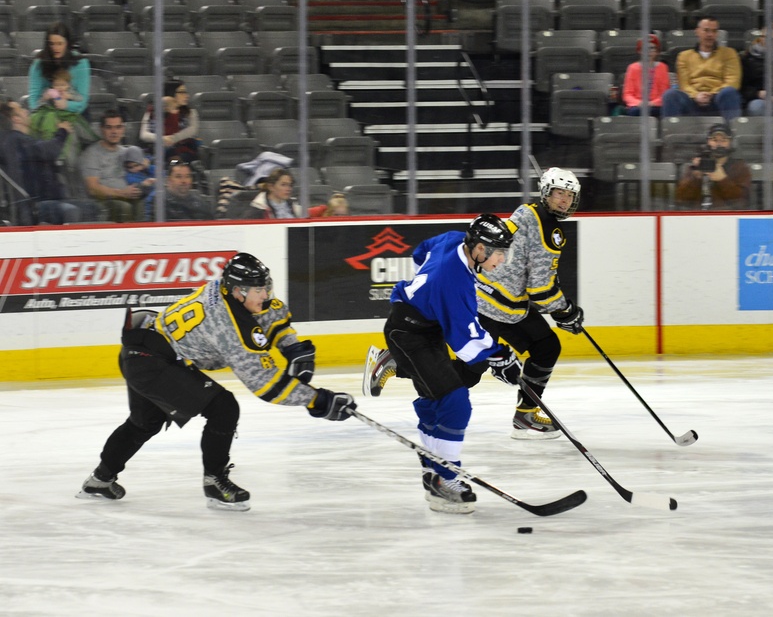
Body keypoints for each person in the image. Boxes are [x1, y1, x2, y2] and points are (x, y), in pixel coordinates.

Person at [77, 253, 356, 511]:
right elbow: (265, 384)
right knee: (223, 407)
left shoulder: (224, 289)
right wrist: (317, 399)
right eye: (258, 290)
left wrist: (291, 345)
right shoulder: (227, 325)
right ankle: (215, 483)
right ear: (237, 291)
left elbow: (268, 311)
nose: (265, 294)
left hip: (141, 348)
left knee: (143, 422)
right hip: (151, 361)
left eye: (265, 287)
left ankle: (100, 480)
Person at [363, 215, 521, 514]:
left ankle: (433, 470)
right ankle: (446, 479)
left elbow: (421, 251)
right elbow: (465, 341)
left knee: (435, 398)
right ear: (477, 248)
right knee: (455, 400)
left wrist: (424, 290)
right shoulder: (453, 282)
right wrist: (501, 358)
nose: (502, 258)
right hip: (409, 334)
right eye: (497, 251)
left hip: (419, 326)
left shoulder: (452, 239)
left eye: (504, 251)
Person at [476, 167, 585, 439]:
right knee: (466, 372)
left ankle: (526, 414)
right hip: (497, 307)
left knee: (546, 346)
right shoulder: (548, 228)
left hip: (493, 300)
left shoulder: (527, 212)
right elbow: (540, 289)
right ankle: (396, 359)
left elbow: (535, 277)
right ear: (546, 193)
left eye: (569, 196)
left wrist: (560, 309)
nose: (564, 200)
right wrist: (565, 311)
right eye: (559, 193)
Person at [0, 99, 98, 224]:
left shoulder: (16, 140)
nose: (26, 111)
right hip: (32, 205)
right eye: (21, 109)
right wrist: (62, 132)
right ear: (16, 119)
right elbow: (49, 151)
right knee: (72, 211)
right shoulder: (16, 139)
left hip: (40, 200)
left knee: (91, 208)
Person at [661, 17, 742, 121]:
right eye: (706, 30)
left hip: (717, 98)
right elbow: (684, 84)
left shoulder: (729, 53)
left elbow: (733, 81)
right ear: (697, 32)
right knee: (670, 94)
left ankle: (731, 132)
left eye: (714, 31)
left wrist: (711, 94)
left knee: (729, 92)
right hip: (692, 100)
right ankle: (670, 134)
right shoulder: (684, 56)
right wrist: (696, 95)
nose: (710, 35)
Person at [78, 110, 145, 222]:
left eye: (118, 127)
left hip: (128, 195)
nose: (114, 132)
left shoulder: (127, 152)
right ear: (102, 129)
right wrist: (122, 193)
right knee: (124, 208)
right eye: (109, 127)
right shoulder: (91, 154)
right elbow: (93, 189)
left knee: (147, 203)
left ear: (123, 129)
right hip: (103, 201)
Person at [675, 123, 752, 210]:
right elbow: (680, 200)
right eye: (714, 140)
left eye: (724, 140)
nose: (719, 144)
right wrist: (695, 178)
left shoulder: (740, 168)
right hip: (697, 217)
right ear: (707, 142)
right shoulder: (697, 166)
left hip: (727, 218)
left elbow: (742, 202)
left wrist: (722, 179)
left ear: (731, 143)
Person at [28, 22, 90, 117]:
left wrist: (67, 105)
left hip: (75, 114)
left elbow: (83, 99)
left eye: (60, 43)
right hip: (47, 113)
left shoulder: (81, 63)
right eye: (52, 44)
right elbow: (33, 100)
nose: (55, 48)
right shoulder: (39, 64)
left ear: (67, 43)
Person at [139, 80, 201, 163]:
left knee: (176, 159)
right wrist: (162, 139)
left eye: (186, 92)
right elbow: (144, 135)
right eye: (182, 92)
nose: (187, 96)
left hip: (182, 151)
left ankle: (172, 165)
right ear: (171, 93)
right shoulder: (152, 111)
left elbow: (192, 130)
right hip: (158, 150)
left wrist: (173, 138)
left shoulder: (190, 112)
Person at [622, 34, 671, 117]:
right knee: (636, 111)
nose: (649, 51)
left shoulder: (663, 67)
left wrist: (652, 103)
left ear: (657, 51)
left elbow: (665, 93)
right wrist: (639, 103)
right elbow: (627, 94)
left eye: (652, 48)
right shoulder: (632, 68)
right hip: (637, 106)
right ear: (640, 51)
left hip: (656, 106)